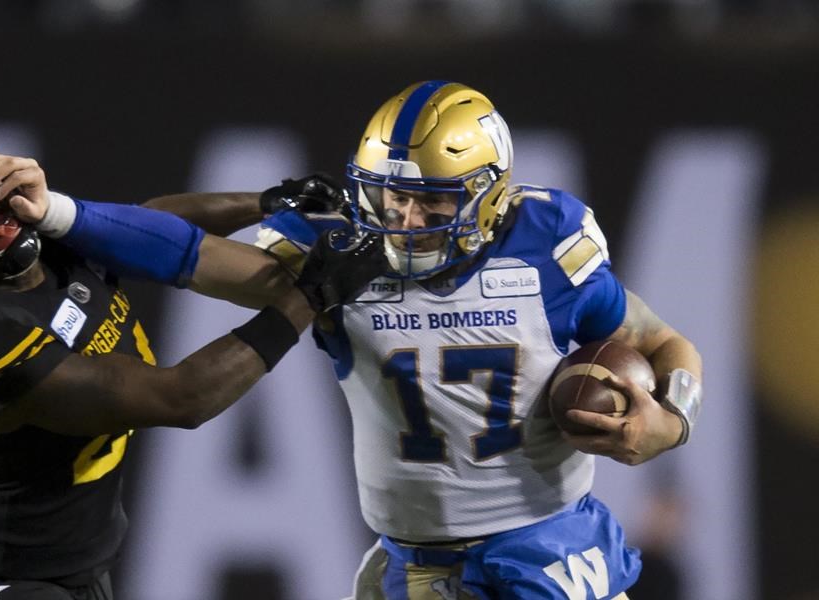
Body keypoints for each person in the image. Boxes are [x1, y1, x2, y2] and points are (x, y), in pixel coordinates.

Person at [77, 81, 701, 599]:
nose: (404, 220)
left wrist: (672, 421)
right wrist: (59, 214)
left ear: (487, 194)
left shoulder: (546, 247)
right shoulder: (342, 254)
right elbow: (174, 246)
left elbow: (662, 340)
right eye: (392, 195)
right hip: (413, 562)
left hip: (544, 551)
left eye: (431, 202)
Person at [0, 140, 385, 600]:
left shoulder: (47, 240)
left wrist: (266, 202)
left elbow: (147, 224)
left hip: (72, 566)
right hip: (3, 577)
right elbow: (182, 399)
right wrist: (312, 294)